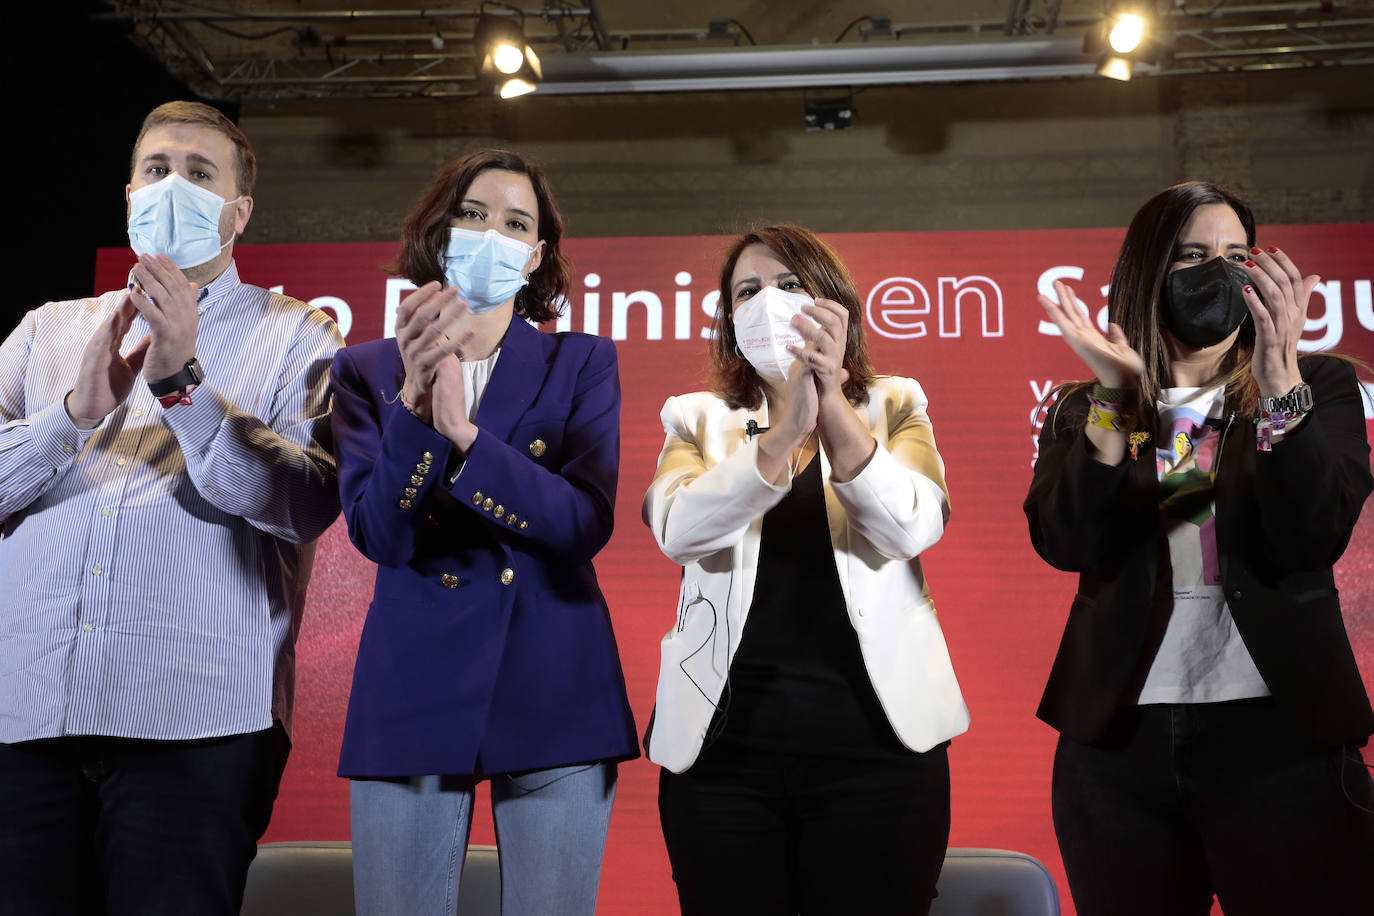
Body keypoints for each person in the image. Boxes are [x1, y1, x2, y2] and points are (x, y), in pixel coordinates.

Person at [0, 101, 342, 915]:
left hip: (198, 723)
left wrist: (184, 383)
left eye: (199, 174)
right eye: (157, 171)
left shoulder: (299, 334)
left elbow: (304, 502)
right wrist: (72, 418)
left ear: (239, 211)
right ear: (127, 196)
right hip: (27, 713)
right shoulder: (46, 330)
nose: (173, 188)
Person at [1026, 180, 1374, 916]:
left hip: (1282, 736)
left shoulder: (1320, 383)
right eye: (1192, 255)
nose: (1219, 271)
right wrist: (1120, 398)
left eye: (1236, 254)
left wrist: (1279, 382)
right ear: (1148, 271)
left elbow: (1312, 533)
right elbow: (1067, 539)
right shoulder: (1089, 402)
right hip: (1119, 747)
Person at [330, 148, 638, 916]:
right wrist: (413, 406)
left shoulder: (582, 361)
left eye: (515, 222)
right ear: (442, 231)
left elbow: (581, 523)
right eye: (473, 214)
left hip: (555, 676)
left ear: (536, 255)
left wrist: (466, 439)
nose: (490, 233)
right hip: (413, 681)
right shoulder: (365, 369)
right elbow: (380, 536)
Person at [643, 224, 970, 916]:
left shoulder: (897, 404)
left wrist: (829, 412)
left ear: (836, 304)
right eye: (748, 291)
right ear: (730, 325)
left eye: (791, 285)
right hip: (722, 758)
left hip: (879, 754)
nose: (770, 302)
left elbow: (913, 524)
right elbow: (677, 530)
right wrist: (784, 433)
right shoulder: (697, 419)